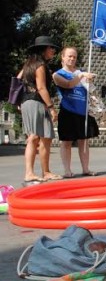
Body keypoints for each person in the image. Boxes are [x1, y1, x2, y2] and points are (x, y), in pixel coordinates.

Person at [18, 36, 62, 184]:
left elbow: (17, 81)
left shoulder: (28, 65)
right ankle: (29, 173)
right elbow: (41, 88)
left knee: (45, 137)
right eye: (51, 48)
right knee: (34, 137)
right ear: (43, 50)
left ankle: (46, 171)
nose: (53, 51)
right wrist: (51, 108)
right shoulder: (40, 66)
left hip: (28, 102)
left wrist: (19, 100)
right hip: (36, 102)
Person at [52, 47, 99, 178]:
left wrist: (89, 81)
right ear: (62, 57)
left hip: (83, 111)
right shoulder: (57, 74)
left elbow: (90, 90)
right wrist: (81, 75)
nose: (72, 59)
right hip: (68, 110)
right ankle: (67, 170)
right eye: (69, 56)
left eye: (74, 57)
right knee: (66, 142)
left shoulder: (80, 73)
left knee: (84, 141)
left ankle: (86, 169)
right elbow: (68, 85)